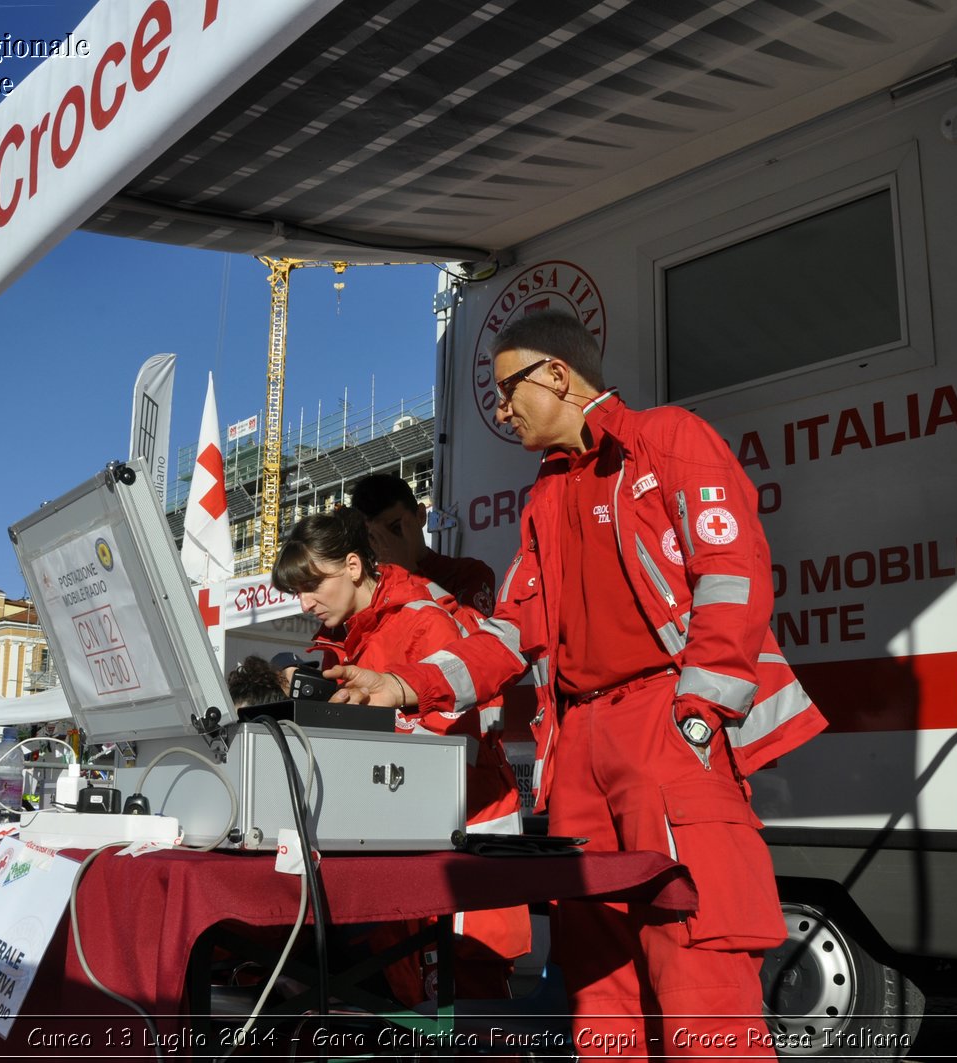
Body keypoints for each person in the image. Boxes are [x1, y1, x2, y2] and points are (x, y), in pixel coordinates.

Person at [328, 310, 827, 1058]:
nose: (499, 409)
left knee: (699, 977)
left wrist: (695, 719)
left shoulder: (670, 439)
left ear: (557, 374)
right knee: (601, 996)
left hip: (664, 720)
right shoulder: (546, 495)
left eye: (506, 389)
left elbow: (733, 580)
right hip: (581, 750)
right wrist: (402, 687)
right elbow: (512, 632)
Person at [270, 508, 529, 1004]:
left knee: (468, 1024)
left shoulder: (424, 621)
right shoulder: (338, 644)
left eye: (311, 585)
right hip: (407, 855)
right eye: (296, 591)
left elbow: (455, 751)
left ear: (352, 565)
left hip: (460, 853)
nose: (304, 603)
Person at [350, 473, 497, 616]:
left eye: (396, 528)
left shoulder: (469, 573)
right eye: (375, 536)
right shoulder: (364, 587)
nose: (387, 543)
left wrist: (408, 572)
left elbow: (471, 635)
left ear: (421, 515)